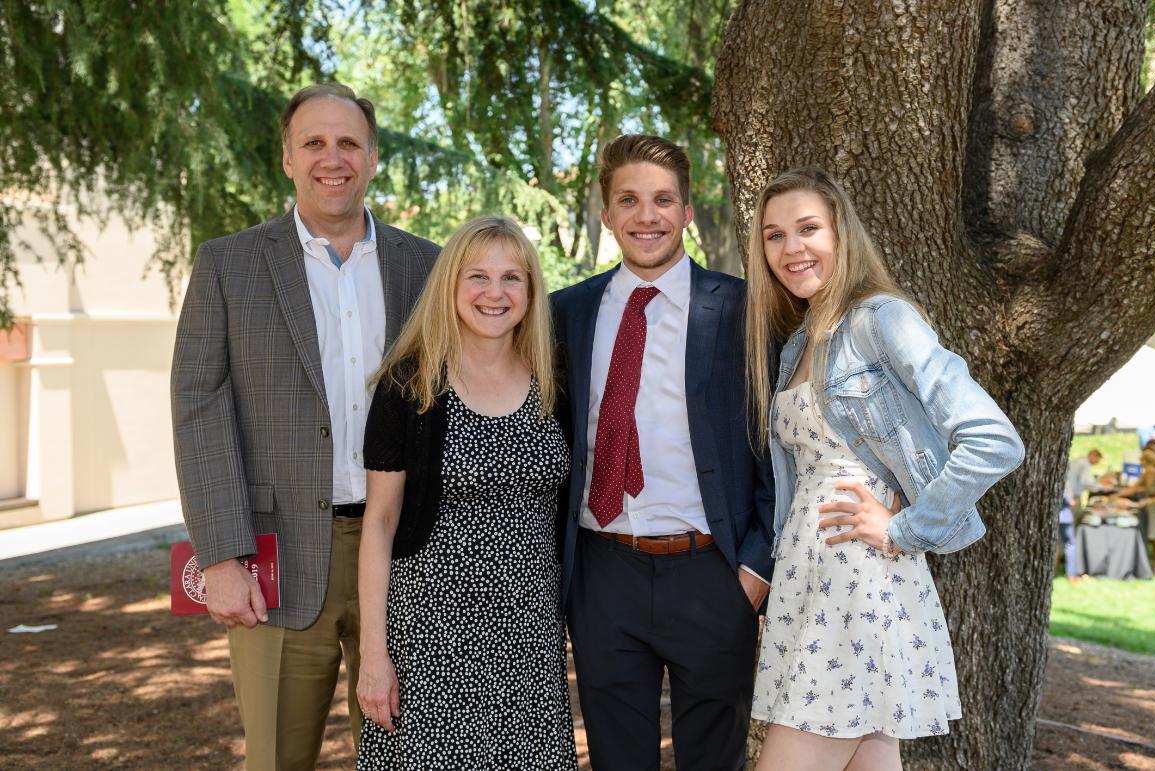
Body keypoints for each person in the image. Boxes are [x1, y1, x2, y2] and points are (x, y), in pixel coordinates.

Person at [171, 83, 439, 769]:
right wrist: (222, 554)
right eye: (314, 142)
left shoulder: (430, 267)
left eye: (348, 142)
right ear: (287, 157)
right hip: (277, 560)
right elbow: (199, 409)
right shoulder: (228, 265)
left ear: (373, 157)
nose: (333, 158)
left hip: (406, 555)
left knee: (404, 757)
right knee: (277, 758)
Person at [744, 167, 1024, 770]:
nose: (791, 249)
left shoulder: (881, 320)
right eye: (774, 235)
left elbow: (993, 439)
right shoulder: (799, 342)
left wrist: (907, 528)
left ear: (842, 234)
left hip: (859, 587)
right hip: (810, 586)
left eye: (808, 228)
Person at [552, 134, 775, 770]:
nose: (645, 216)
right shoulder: (566, 312)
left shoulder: (741, 309)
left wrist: (755, 570)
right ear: (606, 213)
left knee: (713, 759)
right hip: (603, 573)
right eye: (628, 199)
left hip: (713, 572)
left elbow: (777, 446)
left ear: (684, 209)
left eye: (662, 200)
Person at [355, 215, 577, 769]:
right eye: (477, 277)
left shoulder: (556, 380)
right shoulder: (410, 384)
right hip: (431, 632)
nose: (495, 293)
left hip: (528, 632)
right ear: (450, 285)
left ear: (531, 291)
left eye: (512, 278)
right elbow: (380, 522)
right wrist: (373, 656)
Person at [1116, 448, 1155, 574]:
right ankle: (1151, 562)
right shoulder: (1146, 474)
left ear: (1147, 462)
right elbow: (1134, 488)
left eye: (1142, 463)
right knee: (1151, 537)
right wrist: (1118, 495)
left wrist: (1147, 501)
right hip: (1150, 510)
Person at [1061, 449, 1103, 580]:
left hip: (1067, 498)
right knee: (1070, 536)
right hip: (1072, 499)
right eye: (1098, 459)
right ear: (1093, 455)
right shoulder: (1085, 464)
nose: (1097, 463)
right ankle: (1071, 569)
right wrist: (1100, 486)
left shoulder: (1076, 461)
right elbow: (1085, 482)